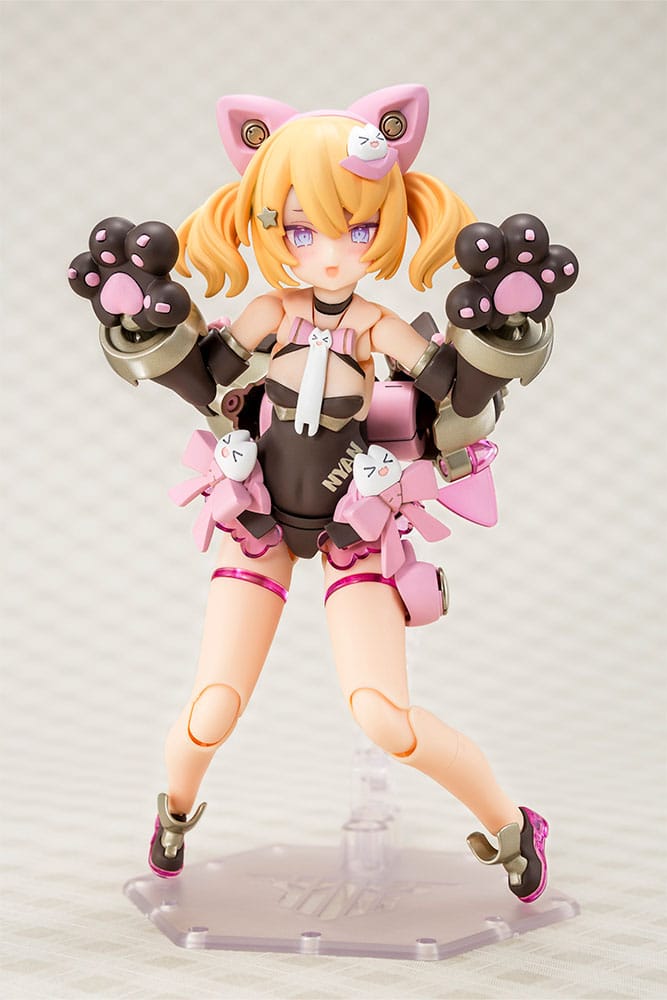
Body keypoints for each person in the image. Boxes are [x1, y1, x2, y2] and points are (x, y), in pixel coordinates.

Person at [69, 85, 576, 903]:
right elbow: (205, 377)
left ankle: (514, 827)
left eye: (358, 228)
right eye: (301, 231)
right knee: (211, 710)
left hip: (356, 521)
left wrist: (500, 332)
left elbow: (455, 392)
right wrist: (144, 325)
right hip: (259, 517)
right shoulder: (268, 312)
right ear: (269, 227)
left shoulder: (377, 327)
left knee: (382, 716)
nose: (330, 253)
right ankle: (175, 814)